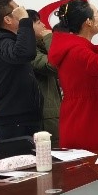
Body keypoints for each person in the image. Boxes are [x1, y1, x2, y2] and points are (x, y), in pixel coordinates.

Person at [48, 0, 98, 153]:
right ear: (88, 21)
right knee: (97, 161)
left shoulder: (73, 47)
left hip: (80, 112)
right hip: (89, 115)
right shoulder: (78, 50)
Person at [0, 0, 41, 141]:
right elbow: (24, 53)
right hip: (14, 120)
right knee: (18, 156)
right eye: (17, 11)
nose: (22, 12)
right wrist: (25, 20)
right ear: (7, 19)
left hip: (20, 117)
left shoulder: (0, 39)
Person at [27, 9, 62, 146]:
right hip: (44, 115)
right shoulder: (30, 51)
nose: (43, 25)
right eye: (38, 22)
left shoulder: (38, 47)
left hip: (49, 113)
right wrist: (48, 38)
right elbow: (54, 65)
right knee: (50, 153)